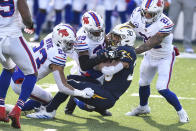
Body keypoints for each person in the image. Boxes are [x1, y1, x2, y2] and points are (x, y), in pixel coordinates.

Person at [25, 24, 137, 119]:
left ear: (126, 38)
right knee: (70, 78)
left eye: (117, 37)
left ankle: (49, 111)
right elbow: (96, 65)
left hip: (107, 97)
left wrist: (103, 62)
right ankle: (67, 107)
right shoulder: (116, 50)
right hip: (102, 87)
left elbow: (109, 70)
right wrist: (105, 58)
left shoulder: (128, 51)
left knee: (72, 84)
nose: (112, 38)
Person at [8, 23, 95, 117]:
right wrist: (81, 93)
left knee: (45, 98)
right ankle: (12, 111)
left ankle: (17, 109)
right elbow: (62, 87)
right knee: (48, 100)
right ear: (59, 40)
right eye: (68, 43)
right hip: (22, 82)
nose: (71, 46)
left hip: (19, 71)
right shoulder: (57, 55)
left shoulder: (51, 37)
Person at [125, 0, 189, 123]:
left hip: (164, 57)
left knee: (162, 88)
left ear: (159, 12)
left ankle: (181, 112)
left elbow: (151, 43)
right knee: (143, 83)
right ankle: (143, 108)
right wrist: (116, 33)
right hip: (150, 55)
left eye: (151, 13)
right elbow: (128, 26)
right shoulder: (138, 13)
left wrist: (133, 51)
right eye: (145, 12)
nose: (147, 15)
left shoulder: (166, 23)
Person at [0, 0, 38, 128]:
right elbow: (25, 15)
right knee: (32, 73)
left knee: (8, 68)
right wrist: (30, 25)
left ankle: (0, 108)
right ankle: (17, 109)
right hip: (14, 38)